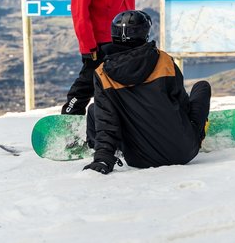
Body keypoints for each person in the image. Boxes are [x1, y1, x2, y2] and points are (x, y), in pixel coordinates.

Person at [83, 10, 212, 174]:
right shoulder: (164, 61)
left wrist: (102, 158)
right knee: (202, 87)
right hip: (184, 151)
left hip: (139, 159)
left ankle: (99, 147)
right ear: (144, 33)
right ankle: (197, 132)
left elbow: (106, 121)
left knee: (95, 110)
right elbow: (183, 105)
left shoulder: (102, 74)